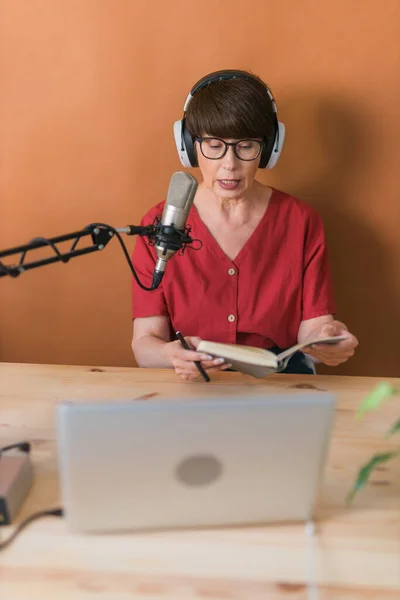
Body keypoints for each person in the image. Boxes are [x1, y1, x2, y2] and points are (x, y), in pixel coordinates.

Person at [130, 69, 358, 380]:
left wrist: (329, 339)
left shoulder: (301, 220)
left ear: (268, 149)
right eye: (214, 145)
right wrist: (170, 354)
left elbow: (314, 328)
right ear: (188, 146)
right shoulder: (159, 224)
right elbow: (145, 343)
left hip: (278, 384)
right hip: (191, 383)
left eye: (246, 146)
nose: (230, 164)